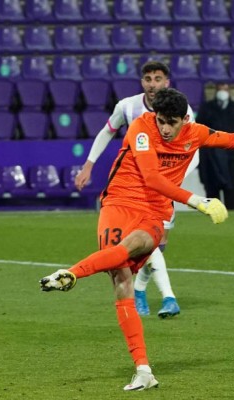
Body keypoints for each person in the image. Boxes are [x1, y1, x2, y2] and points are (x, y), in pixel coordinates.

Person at [40, 88, 234, 391]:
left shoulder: (194, 132)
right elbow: (152, 178)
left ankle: (71, 273)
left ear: (184, 119)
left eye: (171, 122)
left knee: (133, 249)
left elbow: (233, 139)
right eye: (161, 121)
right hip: (119, 204)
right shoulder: (141, 128)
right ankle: (144, 370)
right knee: (120, 277)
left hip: (155, 212)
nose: (165, 128)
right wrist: (197, 201)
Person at [75, 61, 195, 318]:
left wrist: (176, 180)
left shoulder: (182, 110)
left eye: (158, 79)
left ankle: (140, 289)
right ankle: (168, 297)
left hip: (165, 188)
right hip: (136, 191)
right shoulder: (128, 107)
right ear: (142, 82)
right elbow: (106, 132)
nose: (153, 84)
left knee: (158, 246)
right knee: (145, 245)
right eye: (148, 79)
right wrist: (88, 165)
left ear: (167, 82)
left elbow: (194, 148)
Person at [196, 83, 234, 210]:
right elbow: (198, 129)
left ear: (230, 91)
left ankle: (233, 220)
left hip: (231, 155)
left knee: (232, 190)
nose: (222, 91)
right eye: (220, 89)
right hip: (211, 157)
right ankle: (214, 217)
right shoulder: (206, 108)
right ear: (216, 91)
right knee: (212, 191)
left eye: (225, 89)